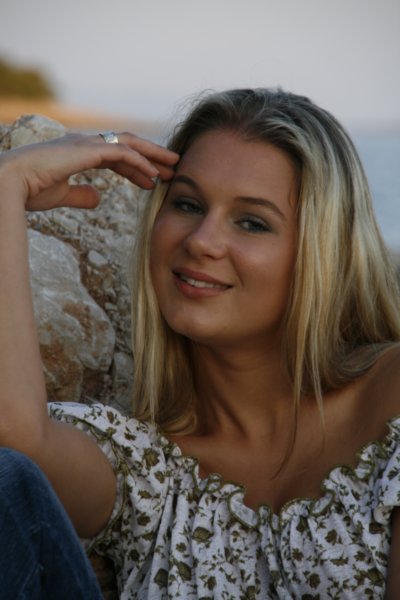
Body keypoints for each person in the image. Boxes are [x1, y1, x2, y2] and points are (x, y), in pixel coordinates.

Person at [0, 88, 399, 599]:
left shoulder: (389, 402)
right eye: (187, 204)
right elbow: (17, 445)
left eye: (252, 222)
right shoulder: (146, 470)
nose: (201, 241)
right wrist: (8, 184)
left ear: (324, 254)